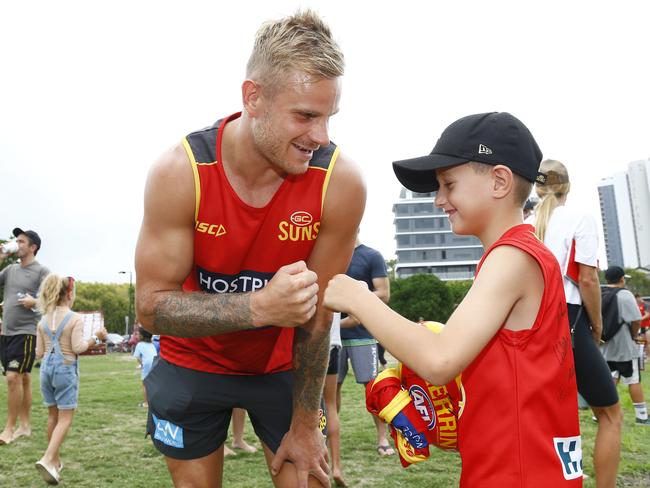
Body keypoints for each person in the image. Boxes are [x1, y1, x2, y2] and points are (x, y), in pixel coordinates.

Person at [134, 10, 365, 488]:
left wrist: (305, 423)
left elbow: (318, 317)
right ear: (253, 98)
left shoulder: (340, 183)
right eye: (305, 116)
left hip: (284, 367)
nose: (320, 136)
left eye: (328, 117)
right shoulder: (182, 172)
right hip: (192, 361)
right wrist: (260, 306)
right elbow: (151, 309)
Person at [325, 112, 583, 486]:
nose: (438, 200)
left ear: (499, 181)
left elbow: (440, 359)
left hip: (518, 474)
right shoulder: (521, 254)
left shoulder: (512, 256)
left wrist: (359, 298)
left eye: (448, 184)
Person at [533, 159, 623, 486]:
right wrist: (596, 326)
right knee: (610, 415)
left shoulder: (525, 221)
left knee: (542, 418)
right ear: (566, 188)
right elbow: (587, 279)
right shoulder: (579, 218)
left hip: (529, 324)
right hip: (567, 321)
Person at [34, 274, 107, 484]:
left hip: (46, 369)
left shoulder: (43, 320)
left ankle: (54, 462)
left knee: (52, 416)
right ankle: (48, 458)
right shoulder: (74, 318)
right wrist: (97, 338)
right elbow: (78, 348)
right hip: (65, 368)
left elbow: (38, 353)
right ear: (69, 293)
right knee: (65, 418)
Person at [336, 235, 393, 456]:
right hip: (333, 337)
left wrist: (353, 300)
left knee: (373, 390)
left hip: (363, 335)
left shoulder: (372, 256)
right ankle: (322, 437)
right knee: (327, 393)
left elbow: (384, 293)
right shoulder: (331, 253)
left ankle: (382, 439)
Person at [0, 228, 50, 445]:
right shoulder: (10, 269)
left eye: (21, 241)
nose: (16, 244)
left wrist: (35, 303)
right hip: (6, 332)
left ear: (32, 247)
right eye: (16, 240)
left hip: (27, 332)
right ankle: (25, 426)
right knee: (23, 379)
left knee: (13, 377)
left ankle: (9, 429)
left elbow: (55, 300)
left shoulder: (42, 272)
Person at [600, 267, 648, 425]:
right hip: (624, 346)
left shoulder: (600, 293)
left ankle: (601, 413)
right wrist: (634, 335)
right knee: (633, 379)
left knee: (610, 377)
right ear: (621, 279)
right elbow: (636, 320)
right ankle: (642, 416)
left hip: (605, 346)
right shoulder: (625, 294)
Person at [323, 313, 345, 486]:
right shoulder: (338, 283)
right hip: (333, 343)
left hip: (307, 343)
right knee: (330, 406)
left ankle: (320, 462)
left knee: (309, 408)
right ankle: (336, 467)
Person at [133, 326, 158, 408]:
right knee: (153, 383)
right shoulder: (152, 344)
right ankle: (154, 401)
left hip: (147, 364)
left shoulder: (139, 345)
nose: (137, 335)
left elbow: (137, 357)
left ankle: (146, 403)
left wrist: (141, 364)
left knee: (144, 384)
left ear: (142, 336)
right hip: (155, 363)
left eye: (138, 333)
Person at [636, 293, 650, 360]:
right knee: (644, 342)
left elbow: (647, 315)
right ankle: (647, 357)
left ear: (639, 297)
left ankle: (649, 357)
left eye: (636, 299)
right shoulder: (638, 305)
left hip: (648, 325)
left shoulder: (646, 304)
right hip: (642, 326)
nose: (636, 301)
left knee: (648, 341)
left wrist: (639, 318)